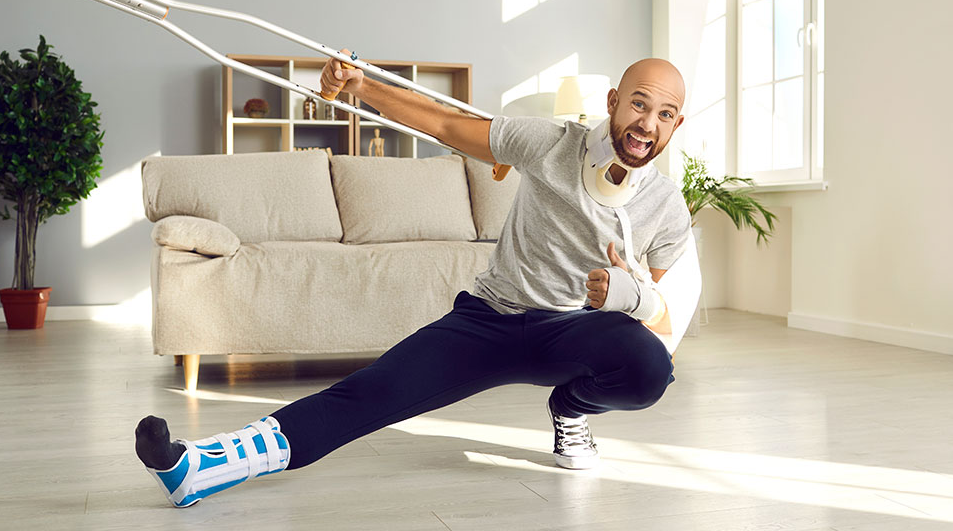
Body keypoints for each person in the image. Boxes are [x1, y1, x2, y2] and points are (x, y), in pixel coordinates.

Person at [134, 53, 701, 508]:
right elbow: (448, 124)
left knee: (651, 367)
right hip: (491, 320)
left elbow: (660, 319)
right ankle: (200, 467)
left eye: (666, 114)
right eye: (639, 105)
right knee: (369, 392)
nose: (647, 125)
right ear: (614, 103)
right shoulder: (551, 142)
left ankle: (572, 408)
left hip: (573, 335)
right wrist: (359, 87)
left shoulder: (665, 209)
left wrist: (630, 296)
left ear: (675, 124)